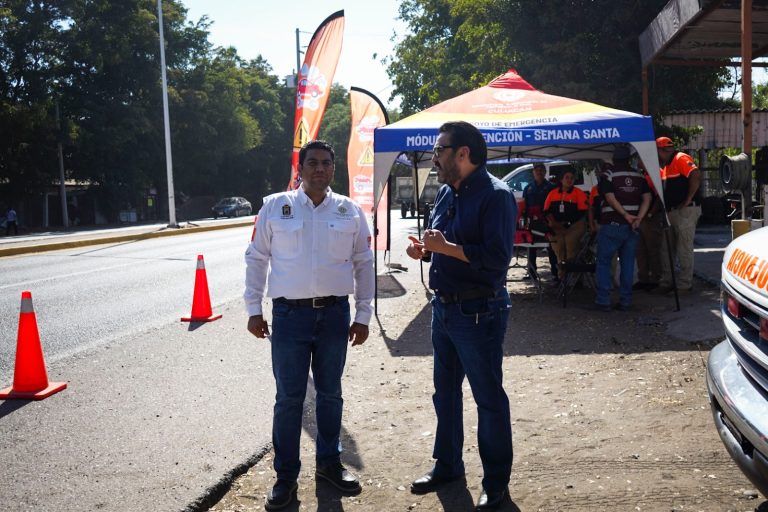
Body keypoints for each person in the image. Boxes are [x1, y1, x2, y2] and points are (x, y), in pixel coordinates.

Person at [244, 140, 375, 511]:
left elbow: (364, 263)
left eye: (326, 163)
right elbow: (256, 258)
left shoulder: (349, 210)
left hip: (335, 316)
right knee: (289, 398)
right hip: (289, 317)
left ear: (333, 168)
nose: (320, 168)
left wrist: (363, 315)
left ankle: (329, 464)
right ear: (299, 168)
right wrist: (253, 308)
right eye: (312, 163)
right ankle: (285, 477)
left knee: (330, 394)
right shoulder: (275, 207)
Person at [406, 121, 517, 511]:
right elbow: (439, 243)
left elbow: (497, 259)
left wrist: (447, 248)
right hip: (444, 309)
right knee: (446, 394)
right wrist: (425, 251)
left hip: (479, 311)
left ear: (463, 153)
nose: (434, 158)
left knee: (488, 399)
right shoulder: (445, 193)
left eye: (440, 150)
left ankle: (496, 483)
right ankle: (448, 465)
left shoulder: (496, 196)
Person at [594, 145, 651, 311]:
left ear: (613, 158)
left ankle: (603, 300)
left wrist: (625, 215)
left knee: (604, 262)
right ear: (629, 159)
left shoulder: (609, 174)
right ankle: (626, 301)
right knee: (628, 264)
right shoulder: (639, 175)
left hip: (612, 224)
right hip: (632, 227)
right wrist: (638, 218)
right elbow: (647, 198)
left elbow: (610, 198)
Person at [654, 137, 702, 294]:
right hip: (672, 212)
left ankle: (684, 285)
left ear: (661, 151)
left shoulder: (680, 158)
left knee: (683, 248)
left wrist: (688, 199)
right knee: (666, 249)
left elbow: (695, 174)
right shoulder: (666, 166)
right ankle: (667, 282)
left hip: (685, 211)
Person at [543, 169, 589, 281]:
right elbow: (546, 211)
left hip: (574, 226)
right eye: (567, 177)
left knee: (571, 249)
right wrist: (554, 223)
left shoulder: (579, 193)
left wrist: (567, 224)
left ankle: (574, 279)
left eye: (572, 178)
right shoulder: (552, 193)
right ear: (561, 179)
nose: (569, 180)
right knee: (559, 250)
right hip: (556, 227)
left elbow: (582, 212)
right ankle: (562, 278)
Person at [522, 163, 558, 280]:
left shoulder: (551, 187)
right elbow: (524, 205)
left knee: (551, 247)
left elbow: (555, 206)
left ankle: (555, 273)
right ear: (533, 172)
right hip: (532, 222)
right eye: (536, 170)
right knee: (531, 246)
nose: (539, 172)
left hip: (546, 222)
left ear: (545, 172)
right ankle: (531, 273)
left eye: (541, 170)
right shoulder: (528, 188)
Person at [634, 166, 663, 291]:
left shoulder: (655, 173)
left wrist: (651, 213)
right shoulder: (642, 174)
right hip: (639, 218)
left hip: (650, 219)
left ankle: (656, 279)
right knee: (640, 250)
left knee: (653, 249)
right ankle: (643, 279)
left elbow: (659, 197)